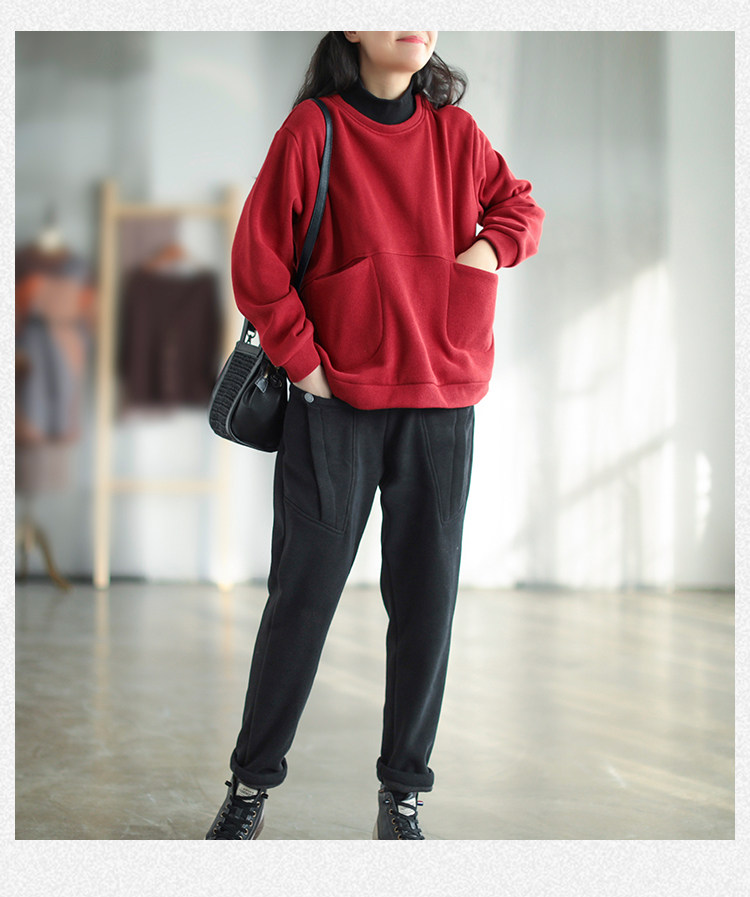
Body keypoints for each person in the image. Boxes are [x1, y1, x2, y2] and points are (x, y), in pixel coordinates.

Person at [206, 30, 544, 840]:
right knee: (303, 597)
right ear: (350, 26)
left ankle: (403, 795)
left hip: (442, 401)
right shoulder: (313, 130)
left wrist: (484, 253)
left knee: (427, 602)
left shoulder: (457, 135)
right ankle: (250, 785)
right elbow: (258, 264)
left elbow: (522, 210)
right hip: (336, 405)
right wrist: (307, 367)